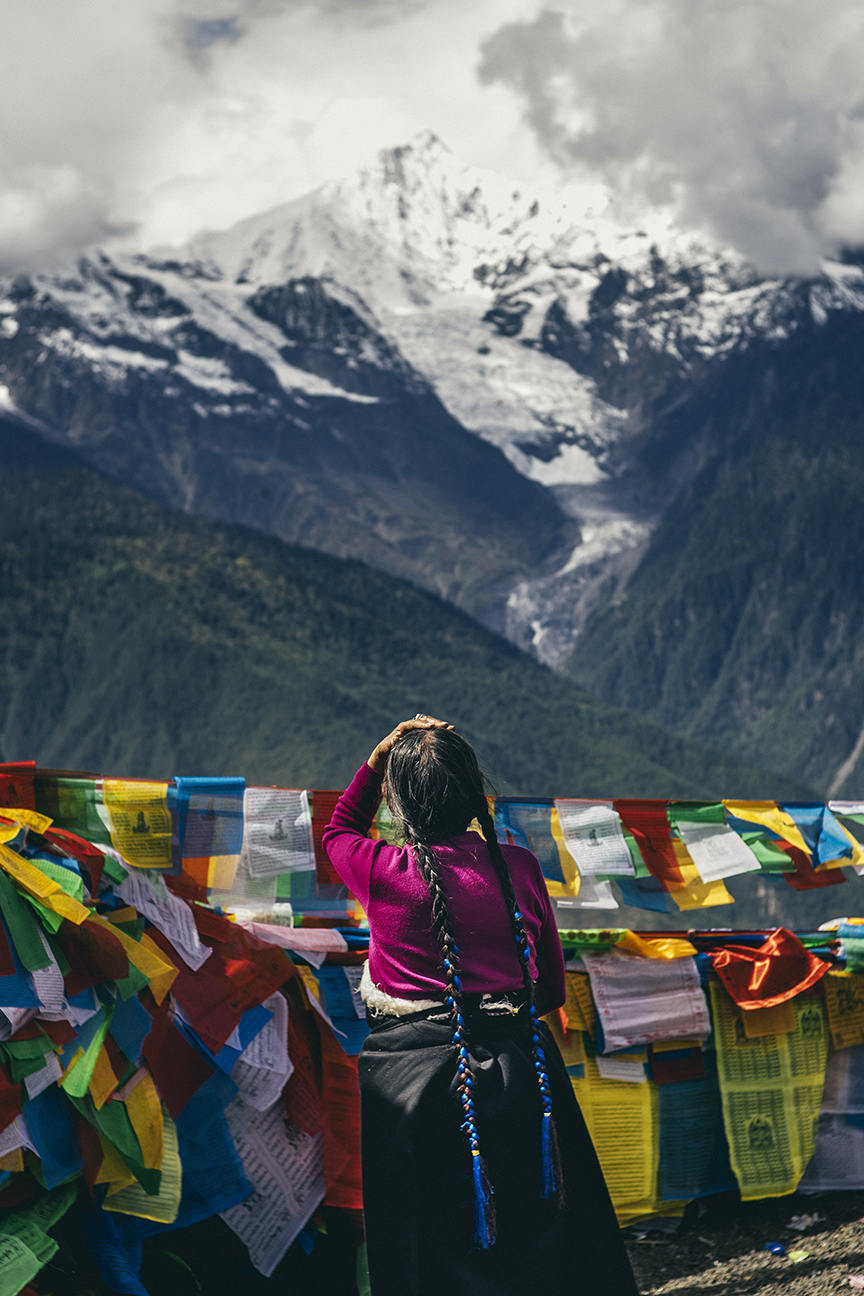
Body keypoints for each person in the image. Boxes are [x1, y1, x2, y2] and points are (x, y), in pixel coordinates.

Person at [322, 716, 639, 1296]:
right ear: (474, 795)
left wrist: (375, 761)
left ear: (398, 801)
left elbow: (338, 827)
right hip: (526, 1078)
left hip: (412, 1088)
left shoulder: (381, 870)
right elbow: (548, 993)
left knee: (432, 1254)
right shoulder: (518, 867)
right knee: (538, 1240)